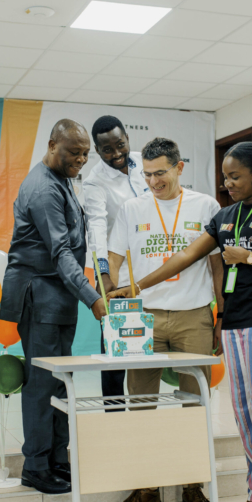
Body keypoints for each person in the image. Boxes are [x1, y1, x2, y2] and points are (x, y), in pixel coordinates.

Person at [110, 142, 252, 502]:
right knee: (244, 413)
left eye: (235, 176)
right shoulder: (226, 215)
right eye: (225, 176)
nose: (228, 183)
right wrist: (137, 288)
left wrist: (249, 257)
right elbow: (185, 257)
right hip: (237, 321)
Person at [105, 137, 223, 502]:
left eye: (161, 173)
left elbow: (217, 266)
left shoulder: (206, 206)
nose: (154, 181)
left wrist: (222, 313)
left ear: (179, 168)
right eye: (148, 174)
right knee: (141, 405)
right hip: (144, 320)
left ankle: (193, 487)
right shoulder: (131, 208)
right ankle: (146, 488)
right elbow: (115, 258)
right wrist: (110, 293)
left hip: (193, 316)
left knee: (194, 406)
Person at [0, 119, 107, 496]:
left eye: (85, 154)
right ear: (51, 145)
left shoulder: (62, 179)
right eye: (73, 152)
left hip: (57, 296)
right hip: (40, 295)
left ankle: (58, 461)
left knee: (63, 382)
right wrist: (93, 297)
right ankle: (37, 466)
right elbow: (60, 252)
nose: (80, 159)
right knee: (43, 384)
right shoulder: (43, 187)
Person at [82, 115, 149, 406]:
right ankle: (113, 410)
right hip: (118, 271)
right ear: (97, 150)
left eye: (120, 145)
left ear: (128, 139)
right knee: (116, 345)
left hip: (154, 266)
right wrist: (104, 274)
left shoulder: (145, 163)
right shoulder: (95, 180)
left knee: (149, 345)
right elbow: (96, 227)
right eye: (107, 150)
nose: (116, 154)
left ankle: (145, 410)